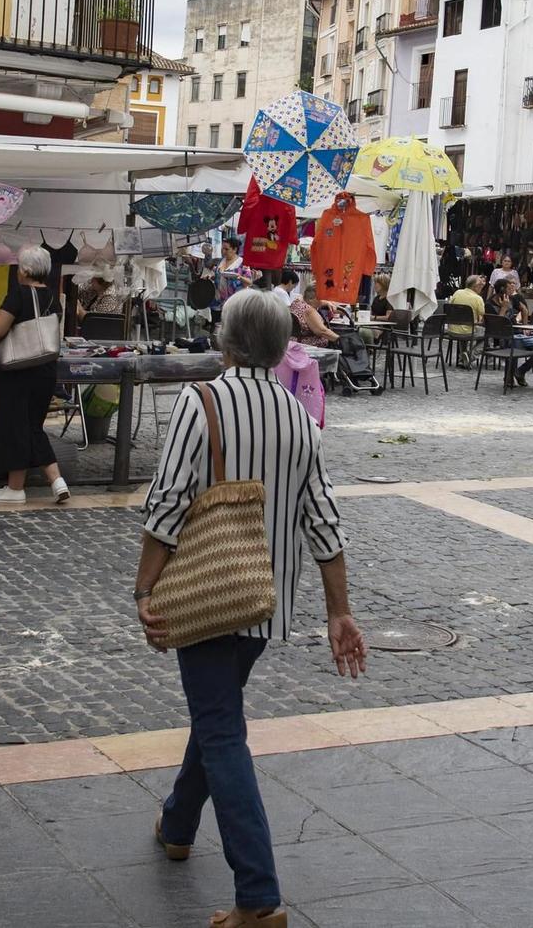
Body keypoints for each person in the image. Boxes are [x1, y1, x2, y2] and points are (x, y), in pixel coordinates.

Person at [136, 287, 366, 928]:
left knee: (221, 730)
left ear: (227, 339)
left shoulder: (201, 399)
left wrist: (143, 588)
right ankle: (178, 823)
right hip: (266, 601)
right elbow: (324, 518)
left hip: (208, 593)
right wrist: (338, 609)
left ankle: (259, 898)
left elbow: (168, 503)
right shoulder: (297, 414)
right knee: (217, 715)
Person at [0, 245, 73, 506]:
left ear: (24, 270)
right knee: (32, 425)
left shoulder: (19, 294)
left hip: (17, 369)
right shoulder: (52, 298)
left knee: (14, 426)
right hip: (44, 369)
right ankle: (57, 482)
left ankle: (15, 488)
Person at [489, 278, 533, 388]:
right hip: (502, 336)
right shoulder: (489, 304)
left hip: (517, 333)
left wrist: (525, 327)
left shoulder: (512, 299)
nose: (511, 290)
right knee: (515, 344)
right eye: (509, 288)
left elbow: (524, 310)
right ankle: (508, 377)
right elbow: (497, 325)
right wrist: (504, 308)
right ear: (502, 289)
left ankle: (520, 371)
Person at [277, 270, 339, 348]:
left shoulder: (297, 302)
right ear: (313, 298)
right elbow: (322, 331)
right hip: (308, 347)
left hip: (292, 342)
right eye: (322, 298)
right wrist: (340, 339)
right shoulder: (309, 310)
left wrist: (326, 303)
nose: (323, 300)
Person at [445, 273, 487, 339]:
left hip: (452, 330)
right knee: (486, 333)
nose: (482, 287)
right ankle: (473, 349)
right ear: (475, 286)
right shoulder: (478, 298)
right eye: (480, 285)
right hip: (469, 332)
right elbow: (483, 316)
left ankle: (464, 348)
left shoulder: (457, 293)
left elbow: (450, 307)